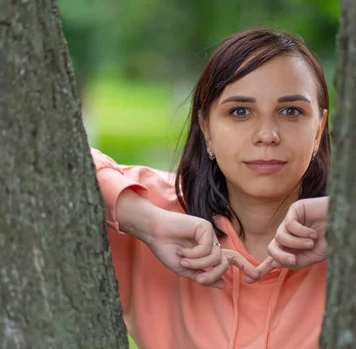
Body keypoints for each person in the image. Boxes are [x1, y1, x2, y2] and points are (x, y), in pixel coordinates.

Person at [91, 28, 330, 349]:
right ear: (207, 129)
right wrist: (147, 223)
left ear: (318, 131)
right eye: (240, 111)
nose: (267, 134)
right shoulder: (155, 211)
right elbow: (44, 157)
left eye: (291, 111)